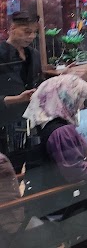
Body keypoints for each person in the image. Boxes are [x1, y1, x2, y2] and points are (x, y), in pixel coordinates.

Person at [22, 75, 87, 198]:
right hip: (59, 199)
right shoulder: (62, 131)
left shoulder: (43, 124)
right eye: (78, 98)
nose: (82, 106)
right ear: (65, 99)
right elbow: (75, 172)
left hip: (40, 195)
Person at [0, 12, 43, 172]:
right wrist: (16, 99)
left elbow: (39, 82)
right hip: (5, 123)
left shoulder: (34, 54)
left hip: (33, 121)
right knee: (9, 170)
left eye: (34, 32)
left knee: (35, 166)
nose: (31, 36)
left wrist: (58, 79)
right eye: (26, 31)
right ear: (12, 28)